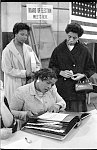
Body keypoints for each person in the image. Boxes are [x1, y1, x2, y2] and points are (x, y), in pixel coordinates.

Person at [49, 22, 96, 112]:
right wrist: (60, 72)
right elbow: (51, 67)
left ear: (78, 37)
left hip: (78, 89)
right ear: (66, 34)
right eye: (69, 36)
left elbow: (91, 68)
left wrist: (83, 75)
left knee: (77, 116)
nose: (71, 39)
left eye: (74, 38)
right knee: (63, 115)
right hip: (62, 88)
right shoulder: (58, 49)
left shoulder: (84, 50)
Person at [1, 22, 41, 105]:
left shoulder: (28, 49)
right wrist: (25, 73)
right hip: (14, 84)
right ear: (15, 34)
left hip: (28, 82)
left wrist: (35, 71)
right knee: (14, 108)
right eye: (22, 34)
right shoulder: (7, 51)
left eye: (26, 35)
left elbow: (37, 64)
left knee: (27, 107)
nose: (25, 37)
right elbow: (7, 69)